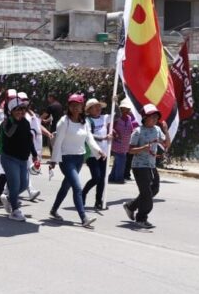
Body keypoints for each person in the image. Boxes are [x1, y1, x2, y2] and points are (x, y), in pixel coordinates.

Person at [49, 94, 104, 227]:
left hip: (79, 158)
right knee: (77, 187)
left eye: (78, 105)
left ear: (82, 107)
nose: (75, 107)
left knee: (66, 186)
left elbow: (89, 138)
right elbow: (58, 141)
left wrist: (98, 150)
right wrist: (54, 160)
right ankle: (83, 217)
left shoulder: (84, 121)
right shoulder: (64, 121)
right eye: (72, 105)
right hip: (66, 159)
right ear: (68, 106)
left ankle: (53, 210)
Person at [123, 104, 170, 229]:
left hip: (151, 165)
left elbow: (166, 144)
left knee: (154, 189)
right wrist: (143, 148)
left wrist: (166, 130)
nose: (154, 119)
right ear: (144, 118)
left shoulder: (157, 130)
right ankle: (141, 218)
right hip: (139, 166)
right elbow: (130, 150)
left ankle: (131, 206)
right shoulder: (138, 131)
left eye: (156, 117)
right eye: (152, 116)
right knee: (146, 194)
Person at [0, 97, 38, 221]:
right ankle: (15, 210)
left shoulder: (25, 122)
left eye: (22, 109)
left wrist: (34, 154)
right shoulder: (7, 122)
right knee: (15, 184)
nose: (20, 112)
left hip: (23, 159)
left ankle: (8, 198)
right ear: (11, 111)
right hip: (9, 158)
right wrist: (16, 122)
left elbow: (29, 140)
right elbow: (9, 134)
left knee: (24, 184)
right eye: (17, 109)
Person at [81, 99, 112, 210]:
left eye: (99, 106)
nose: (98, 108)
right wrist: (103, 138)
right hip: (92, 153)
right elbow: (89, 135)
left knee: (102, 178)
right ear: (89, 110)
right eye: (95, 107)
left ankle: (98, 201)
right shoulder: (87, 120)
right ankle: (83, 193)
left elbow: (116, 115)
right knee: (96, 177)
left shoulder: (104, 118)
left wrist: (115, 102)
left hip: (104, 152)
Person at [109, 99, 135, 184]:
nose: (126, 111)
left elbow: (131, 129)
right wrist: (114, 132)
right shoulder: (117, 118)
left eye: (128, 109)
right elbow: (110, 127)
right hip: (117, 143)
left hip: (125, 144)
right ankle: (119, 178)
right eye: (124, 109)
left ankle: (112, 177)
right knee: (121, 160)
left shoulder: (129, 118)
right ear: (121, 109)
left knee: (118, 161)